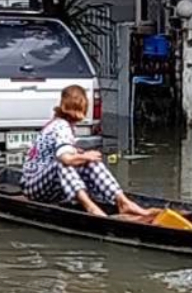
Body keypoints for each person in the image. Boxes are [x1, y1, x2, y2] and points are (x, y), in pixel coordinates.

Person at [22, 85, 152, 219]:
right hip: (32, 187)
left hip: (45, 183)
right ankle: (89, 205)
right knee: (64, 163)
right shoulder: (61, 127)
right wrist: (84, 156)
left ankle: (122, 201)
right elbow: (66, 159)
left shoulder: (61, 125)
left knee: (90, 161)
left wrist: (84, 156)